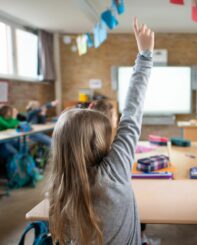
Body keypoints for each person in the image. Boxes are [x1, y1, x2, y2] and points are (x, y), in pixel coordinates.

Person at [48, 18, 154, 245]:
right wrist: (144, 55)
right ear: (97, 142)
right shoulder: (113, 172)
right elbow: (132, 112)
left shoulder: (59, 186)